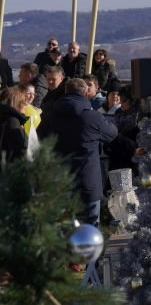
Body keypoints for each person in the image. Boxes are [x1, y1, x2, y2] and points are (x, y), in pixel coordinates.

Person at [38, 77, 118, 227]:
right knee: (90, 228)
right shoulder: (92, 117)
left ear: (66, 91)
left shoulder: (50, 116)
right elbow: (112, 133)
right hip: (87, 179)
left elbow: (39, 139)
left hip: (59, 180)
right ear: (86, 93)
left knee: (62, 228)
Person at [0, 86, 29, 162]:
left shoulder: (5, 118)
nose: (26, 106)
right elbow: (18, 154)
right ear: (19, 103)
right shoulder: (13, 122)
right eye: (24, 102)